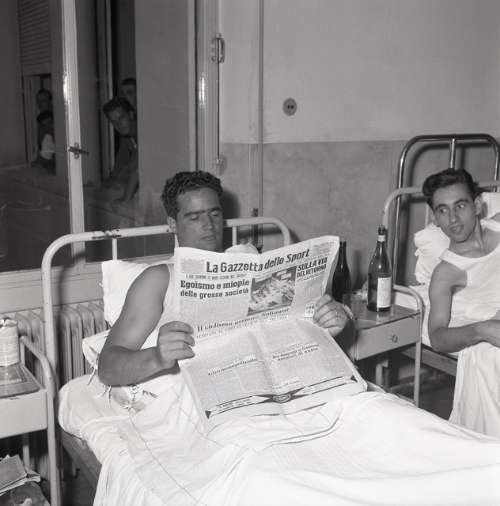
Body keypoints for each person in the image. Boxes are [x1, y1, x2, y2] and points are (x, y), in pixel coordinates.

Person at [98, 170, 350, 387]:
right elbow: (108, 367)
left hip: (274, 378)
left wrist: (327, 323)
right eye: (194, 217)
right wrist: (157, 357)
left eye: (215, 214)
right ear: (172, 224)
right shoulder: (159, 279)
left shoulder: (251, 262)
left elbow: (288, 333)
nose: (208, 225)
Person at [422, 168, 500, 436]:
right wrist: (482, 330)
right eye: (442, 210)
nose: (453, 219)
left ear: (477, 206)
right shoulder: (446, 273)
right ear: (435, 218)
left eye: (461, 205)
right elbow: (438, 337)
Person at [102, 96, 138, 202]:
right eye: (113, 121)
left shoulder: (143, 131)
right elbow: (119, 168)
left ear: (131, 115)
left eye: (121, 118)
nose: (118, 124)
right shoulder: (126, 137)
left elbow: (136, 169)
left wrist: (125, 200)